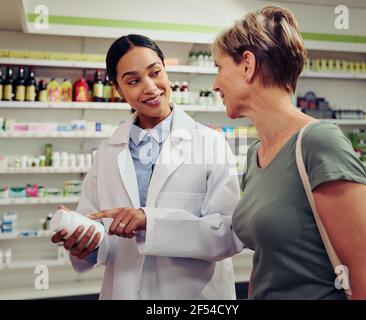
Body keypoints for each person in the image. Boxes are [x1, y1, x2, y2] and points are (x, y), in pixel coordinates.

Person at [212, 6, 366, 300]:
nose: (215, 84)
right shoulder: (256, 154)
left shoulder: (319, 143)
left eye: (219, 68)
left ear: (247, 64)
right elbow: (266, 261)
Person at [51, 34, 243, 299]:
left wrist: (150, 222)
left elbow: (230, 233)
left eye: (155, 73)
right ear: (118, 90)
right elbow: (99, 233)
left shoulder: (210, 143)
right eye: (133, 81)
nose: (150, 87)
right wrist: (84, 245)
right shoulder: (107, 153)